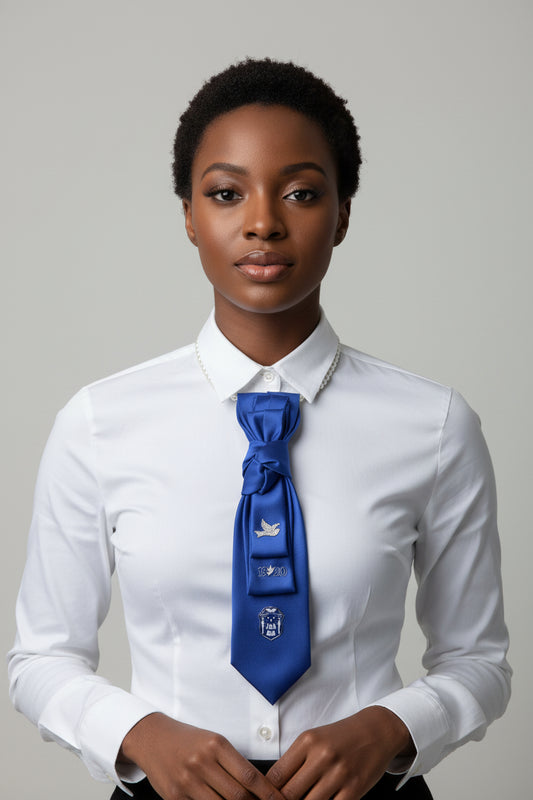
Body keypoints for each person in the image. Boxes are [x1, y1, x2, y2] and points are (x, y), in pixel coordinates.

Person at [8, 59, 511, 800]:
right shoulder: (99, 423)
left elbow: (479, 660)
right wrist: (140, 733)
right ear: (188, 214)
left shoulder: (433, 424)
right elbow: (39, 659)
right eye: (225, 193)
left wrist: (389, 727)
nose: (263, 222)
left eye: (301, 193)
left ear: (342, 213)